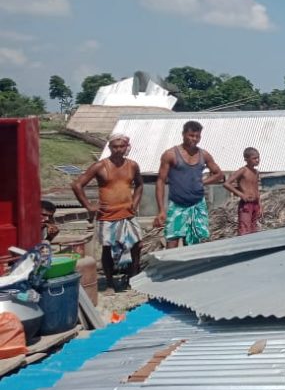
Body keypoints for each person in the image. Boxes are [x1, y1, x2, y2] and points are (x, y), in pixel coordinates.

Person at [71, 134, 144, 290]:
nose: (118, 150)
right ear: (110, 147)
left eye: (121, 146)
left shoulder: (132, 165)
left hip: (128, 213)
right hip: (108, 215)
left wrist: (135, 203)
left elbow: (139, 185)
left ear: (127, 147)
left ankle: (132, 278)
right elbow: (77, 185)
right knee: (107, 248)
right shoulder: (100, 166)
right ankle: (110, 283)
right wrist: (89, 206)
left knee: (136, 245)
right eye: (114, 146)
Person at [154, 121, 225, 248]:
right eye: (191, 135)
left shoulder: (203, 154)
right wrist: (161, 210)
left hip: (197, 204)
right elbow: (160, 181)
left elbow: (219, 174)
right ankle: (172, 267)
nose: (194, 139)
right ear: (183, 134)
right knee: (172, 239)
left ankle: (191, 267)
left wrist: (203, 182)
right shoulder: (170, 154)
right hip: (177, 204)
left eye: (197, 136)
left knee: (193, 242)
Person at [224, 147, 261, 236]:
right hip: (246, 204)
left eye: (258, 158)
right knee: (244, 229)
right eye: (254, 158)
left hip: (255, 203)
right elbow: (227, 184)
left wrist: (259, 205)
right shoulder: (243, 171)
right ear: (246, 159)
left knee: (253, 229)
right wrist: (241, 194)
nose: (257, 160)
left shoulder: (256, 172)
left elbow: (256, 189)